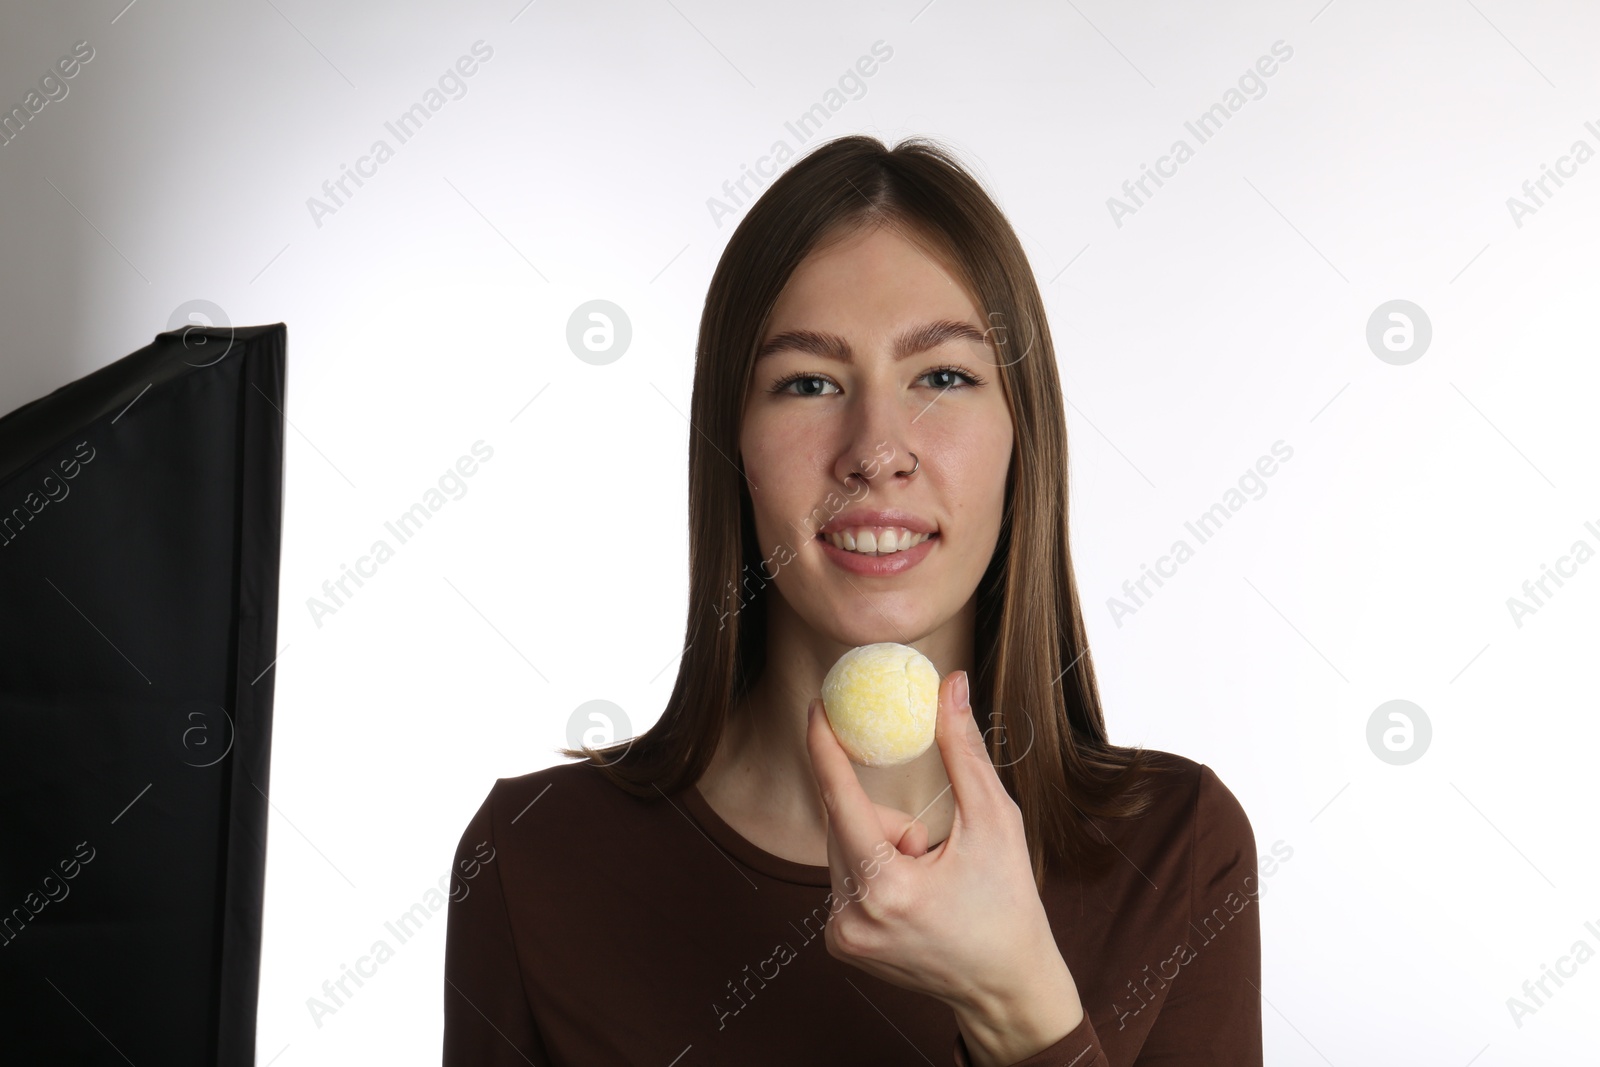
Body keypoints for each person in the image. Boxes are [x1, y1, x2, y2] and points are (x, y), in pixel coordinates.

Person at [442, 134, 1263, 1066]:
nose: (877, 448)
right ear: (735, 450)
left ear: (1021, 438)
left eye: (943, 376)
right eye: (809, 382)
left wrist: (1022, 1006)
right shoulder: (538, 859)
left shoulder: (1175, 852)